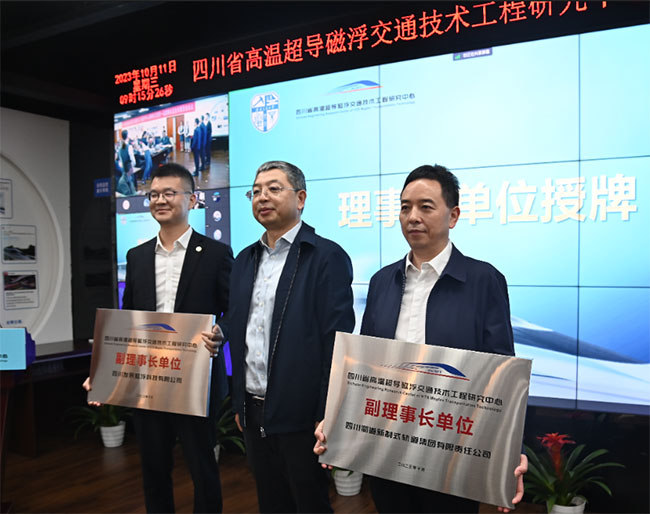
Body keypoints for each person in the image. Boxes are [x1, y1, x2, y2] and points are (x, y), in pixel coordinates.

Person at [314, 164, 527, 514]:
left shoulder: (483, 280)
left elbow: (502, 371)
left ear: (453, 215)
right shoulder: (382, 281)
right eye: (405, 207)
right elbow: (364, 366)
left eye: (425, 207)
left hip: (452, 445)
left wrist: (509, 450)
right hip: (387, 441)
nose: (412, 216)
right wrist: (337, 420)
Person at [84, 163, 233, 513]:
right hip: (149, 380)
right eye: (153, 195)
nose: (159, 200)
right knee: (153, 469)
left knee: (202, 467)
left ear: (192, 200)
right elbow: (127, 322)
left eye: (169, 193)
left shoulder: (215, 253)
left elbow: (233, 310)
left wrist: (221, 332)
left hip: (195, 381)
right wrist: (103, 373)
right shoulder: (137, 257)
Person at [209, 160, 355, 513]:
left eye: (274, 189)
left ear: (300, 198)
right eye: (256, 191)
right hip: (253, 408)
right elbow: (242, 319)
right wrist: (221, 332)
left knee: (309, 502)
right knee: (271, 501)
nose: (262, 197)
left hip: (301, 413)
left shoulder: (325, 257)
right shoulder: (246, 259)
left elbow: (336, 341)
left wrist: (326, 411)